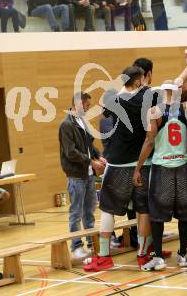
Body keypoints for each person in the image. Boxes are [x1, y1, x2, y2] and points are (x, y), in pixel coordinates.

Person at [83, 66, 153, 272]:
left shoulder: (114, 100)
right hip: (142, 162)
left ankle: (104, 256)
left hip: (119, 162)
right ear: (140, 81)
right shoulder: (146, 98)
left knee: (108, 209)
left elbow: (103, 113)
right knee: (143, 210)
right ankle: (143, 254)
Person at [133, 59, 187, 271]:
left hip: (162, 168)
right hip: (182, 167)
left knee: (158, 214)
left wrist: (138, 166)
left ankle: (159, 256)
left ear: (162, 92)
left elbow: (149, 140)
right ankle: (183, 254)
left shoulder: (154, 111)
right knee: (185, 212)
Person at [59, 92, 106, 261]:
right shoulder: (66, 125)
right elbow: (71, 152)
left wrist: (99, 156)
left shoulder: (82, 122)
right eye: (86, 106)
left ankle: (92, 243)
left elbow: (89, 145)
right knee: (76, 213)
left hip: (88, 175)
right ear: (78, 104)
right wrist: (91, 162)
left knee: (89, 211)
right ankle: (77, 246)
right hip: (76, 176)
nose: (87, 109)